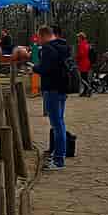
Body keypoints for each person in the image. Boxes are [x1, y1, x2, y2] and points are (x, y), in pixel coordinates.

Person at [33, 25, 70, 171]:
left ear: (44, 36)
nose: (38, 41)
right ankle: (58, 154)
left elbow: (45, 69)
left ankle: (58, 159)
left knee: (56, 124)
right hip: (62, 88)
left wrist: (33, 68)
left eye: (39, 38)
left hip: (51, 89)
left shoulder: (48, 49)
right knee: (60, 122)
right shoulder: (63, 46)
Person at [75, 32, 91, 97]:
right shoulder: (87, 44)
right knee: (85, 77)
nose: (77, 38)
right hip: (87, 61)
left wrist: (76, 57)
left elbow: (81, 54)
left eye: (78, 37)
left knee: (83, 78)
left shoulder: (81, 44)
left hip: (82, 62)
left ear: (81, 38)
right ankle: (85, 91)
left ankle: (88, 88)